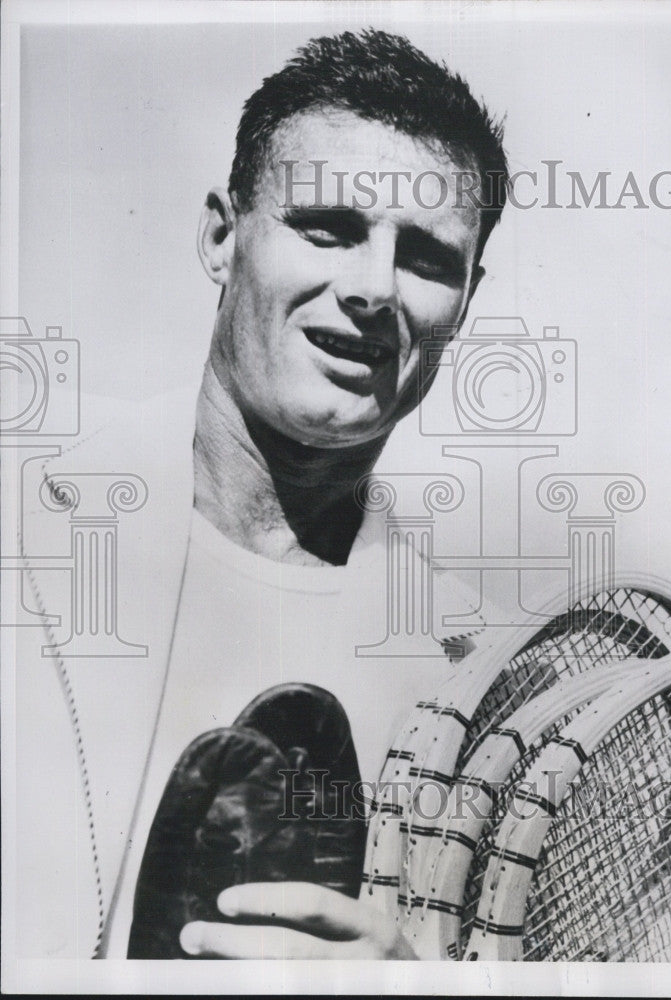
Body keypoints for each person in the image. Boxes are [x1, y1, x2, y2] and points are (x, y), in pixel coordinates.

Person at [13, 28, 508, 960]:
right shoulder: (24, 510)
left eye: (426, 259)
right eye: (326, 228)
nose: (371, 288)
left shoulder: (481, 672)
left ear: (466, 301)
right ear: (220, 234)